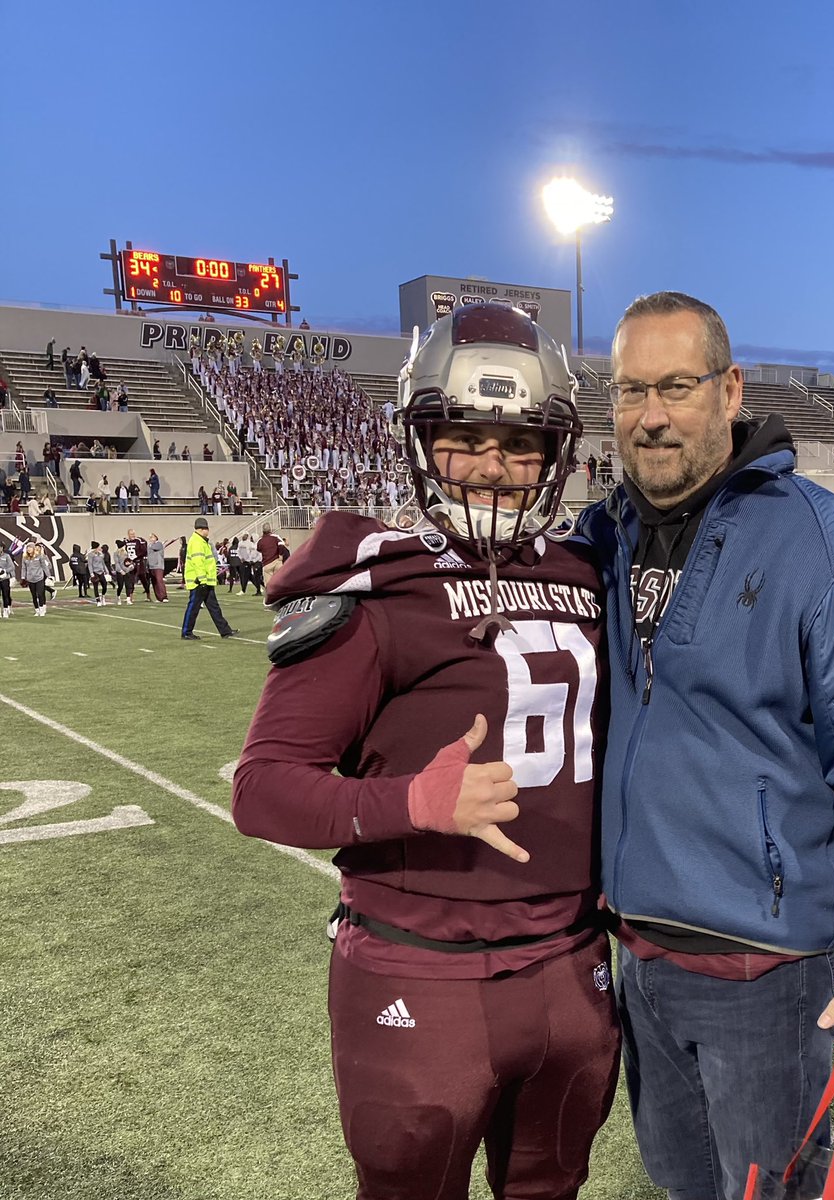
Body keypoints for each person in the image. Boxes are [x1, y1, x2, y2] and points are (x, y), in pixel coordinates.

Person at [232, 303, 619, 1200]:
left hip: (572, 962)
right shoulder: (381, 586)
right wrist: (412, 802)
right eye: (463, 438)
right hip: (422, 967)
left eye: (520, 443)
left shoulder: (589, 575)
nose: (491, 465)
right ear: (419, 438)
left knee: (553, 1188)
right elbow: (262, 790)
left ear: (555, 454)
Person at [576, 292, 834, 1200]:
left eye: (675, 386)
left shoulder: (825, 544)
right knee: (681, 1182)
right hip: (638, 955)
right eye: (629, 391)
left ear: (730, 390)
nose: (650, 416)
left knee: (767, 1190)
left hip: (762, 969)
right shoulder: (604, 535)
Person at [180, 517, 239, 640]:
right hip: (199, 582)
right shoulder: (197, 542)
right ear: (202, 529)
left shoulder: (201, 541)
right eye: (207, 529)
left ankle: (225, 631)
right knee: (193, 607)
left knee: (214, 607)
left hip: (205, 581)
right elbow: (198, 562)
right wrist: (202, 580)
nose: (208, 531)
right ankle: (186, 632)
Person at [21, 541, 52, 617]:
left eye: (30, 547)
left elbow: (44, 566)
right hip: (30, 579)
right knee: (34, 596)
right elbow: (23, 568)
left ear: (33, 548)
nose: (28, 549)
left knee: (40, 594)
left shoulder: (39, 556)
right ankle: (37, 610)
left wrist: (49, 576)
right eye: (27, 547)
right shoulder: (25, 557)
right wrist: (23, 577)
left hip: (39, 578)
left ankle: (42, 609)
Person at [0, 543, 15, 617]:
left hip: (5, 579)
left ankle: (5, 610)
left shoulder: (6, 556)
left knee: (5, 595)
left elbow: (12, 567)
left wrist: (5, 571)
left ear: (2, 548)